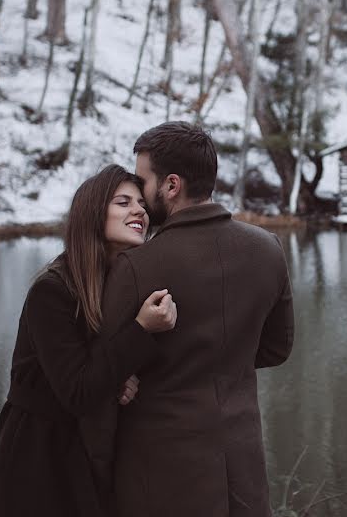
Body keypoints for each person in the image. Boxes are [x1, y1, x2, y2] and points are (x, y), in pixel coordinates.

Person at [91, 121, 294, 517]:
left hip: (160, 476)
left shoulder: (135, 265)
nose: (141, 197)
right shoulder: (268, 249)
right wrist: (225, 358)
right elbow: (276, 348)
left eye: (143, 182)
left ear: (171, 185)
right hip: (243, 465)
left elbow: (108, 368)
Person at [0, 165, 178, 517]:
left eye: (141, 204)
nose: (139, 211)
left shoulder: (120, 287)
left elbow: (98, 367)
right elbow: (77, 390)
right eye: (123, 202)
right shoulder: (53, 291)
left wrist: (118, 377)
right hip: (39, 458)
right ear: (92, 214)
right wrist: (140, 329)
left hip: (89, 450)